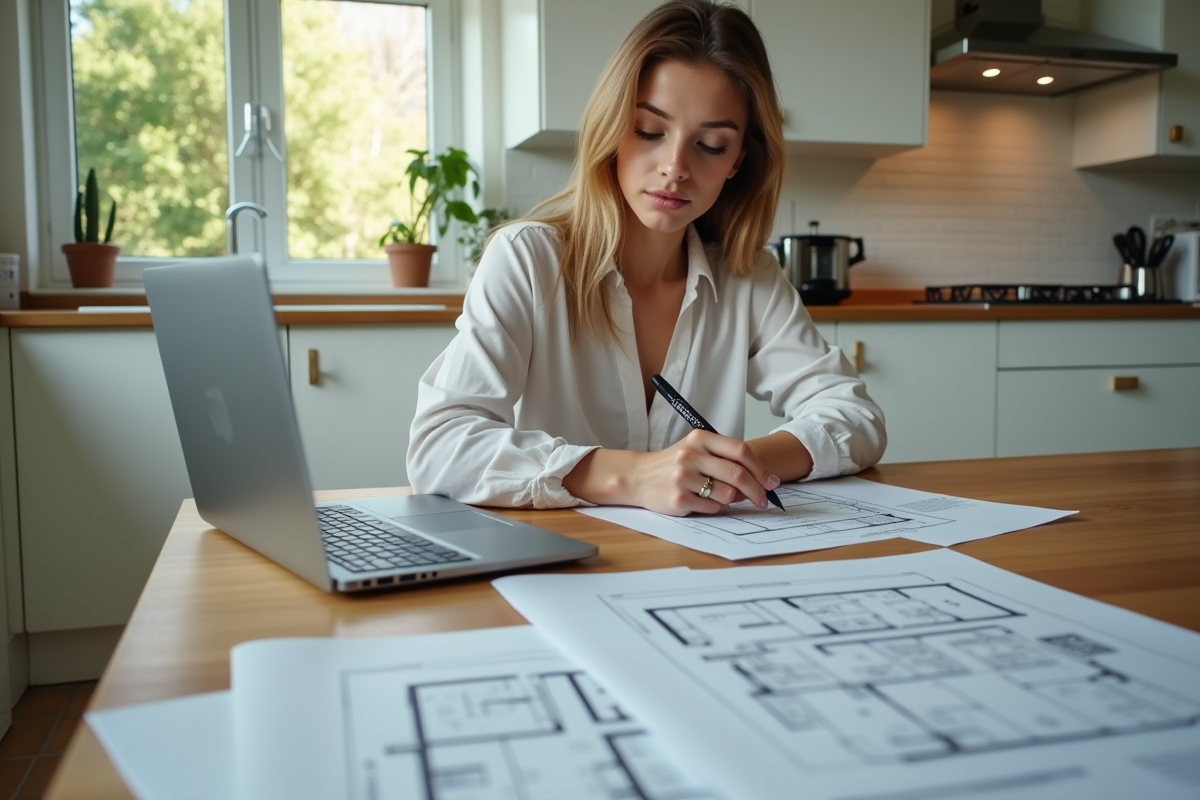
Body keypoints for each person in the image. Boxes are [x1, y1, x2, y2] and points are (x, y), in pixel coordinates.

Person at [407, 0, 885, 516]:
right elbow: (439, 448)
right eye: (649, 131)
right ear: (612, 130)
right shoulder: (528, 259)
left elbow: (855, 416)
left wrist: (727, 464)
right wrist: (635, 475)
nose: (674, 167)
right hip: (570, 568)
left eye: (710, 144)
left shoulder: (749, 277)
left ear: (737, 162)